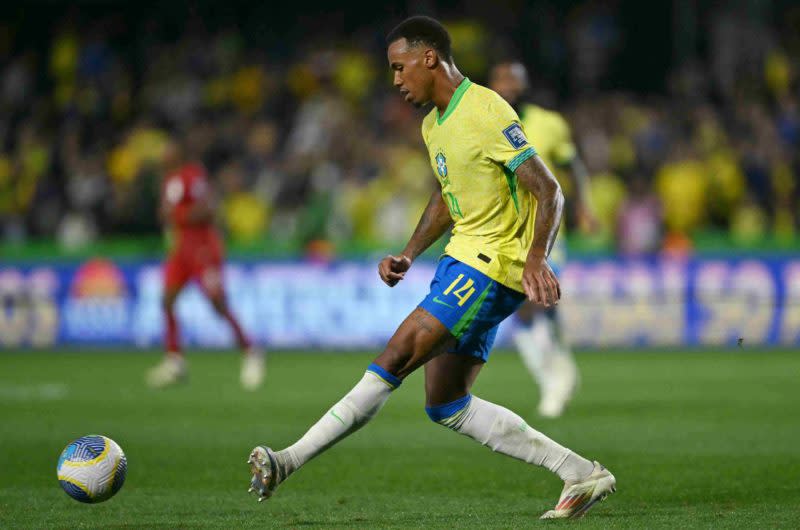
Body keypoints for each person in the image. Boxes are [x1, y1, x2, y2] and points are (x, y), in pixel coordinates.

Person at [247, 16, 615, 519]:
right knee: (446, 403)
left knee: (395, 354)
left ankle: (287, 460)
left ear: (428, 58)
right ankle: (579, 472)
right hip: (460, 260)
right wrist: (410, 252)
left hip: (490, 265)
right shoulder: (432, 123)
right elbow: (448, 195)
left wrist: (535, 257)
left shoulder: (485, 109)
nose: (395, 81)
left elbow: (549, 188)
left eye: (400, 68)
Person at [489, 61, 597, 417]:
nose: (509, 86)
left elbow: (573, 168)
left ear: (525, 86)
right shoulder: (483, 122)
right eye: (503, 79)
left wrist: (585, 208)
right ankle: (557, 376)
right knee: (525, 313)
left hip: (547, 234)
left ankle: (554, 383)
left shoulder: (548, 124)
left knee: (531, 305)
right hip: (503, 235)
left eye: (515, 81)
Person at [146, 139, 265, 390]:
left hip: (202, 248)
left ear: (179, 152)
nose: (164, 155)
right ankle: (174, 360)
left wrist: (176, 215)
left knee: (217, 303)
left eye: (168, 149)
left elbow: (207, 209)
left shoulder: (192, 175)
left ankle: (251, 352)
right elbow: (165, 213)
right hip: (180, 250)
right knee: (167, 300)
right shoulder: (169, 180)